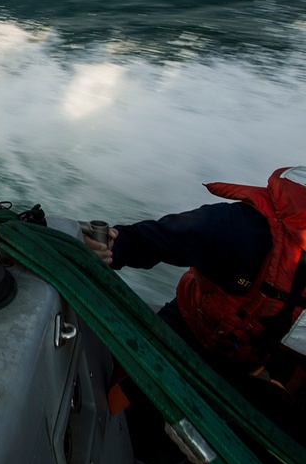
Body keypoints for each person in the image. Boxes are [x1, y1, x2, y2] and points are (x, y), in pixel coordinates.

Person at [83, 166, 306, 447]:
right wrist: (115, 245)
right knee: (114, 410)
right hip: (187, 334)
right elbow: (165, 237)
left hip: (261, 368)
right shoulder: (247, 230)